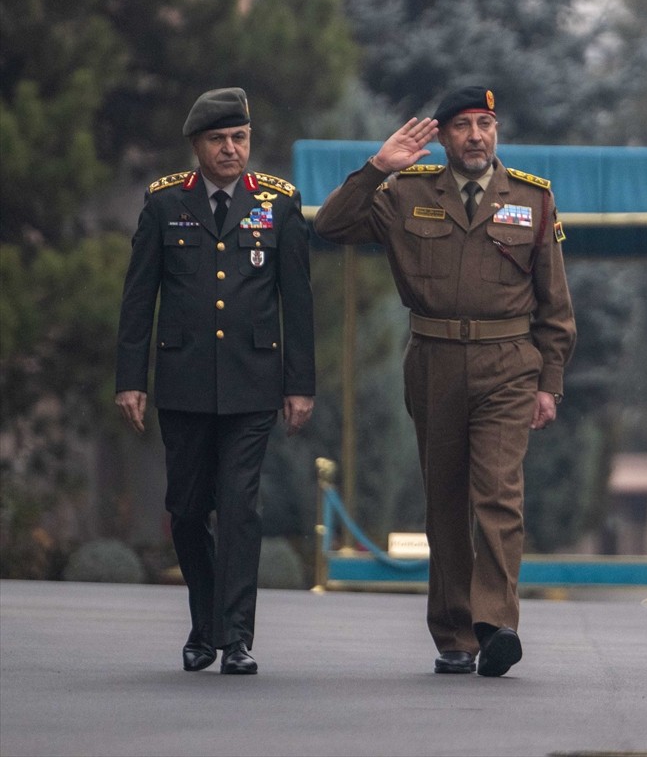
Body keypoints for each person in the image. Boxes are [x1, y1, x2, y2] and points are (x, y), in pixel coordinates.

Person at [314, 86, 576, 677]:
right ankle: (456, 633)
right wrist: (378, 168)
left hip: (508, 363)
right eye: (462, 125)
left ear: (497, 130)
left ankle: (497, 623)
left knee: (498, 494)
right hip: (433, 359)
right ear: (443, 135)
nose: (476, 135)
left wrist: (548, 382)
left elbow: (556, 305)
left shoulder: (532, 200)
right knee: (446, 501)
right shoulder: (406, 193)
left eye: (486, 123)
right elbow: (330, 225)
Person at [115, 87, 316, 675]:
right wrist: (131, 379)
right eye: (219, 140)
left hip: (253, 384)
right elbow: (138, 298)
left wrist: (299, 385)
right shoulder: (163, 204)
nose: (231, 150)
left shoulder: (278, 204)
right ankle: (203, 624)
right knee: (185, 509)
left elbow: (297, 303)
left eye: (240, 138)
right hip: (183, 382)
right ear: (197, 145)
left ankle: (235, 638)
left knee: (239, 506)